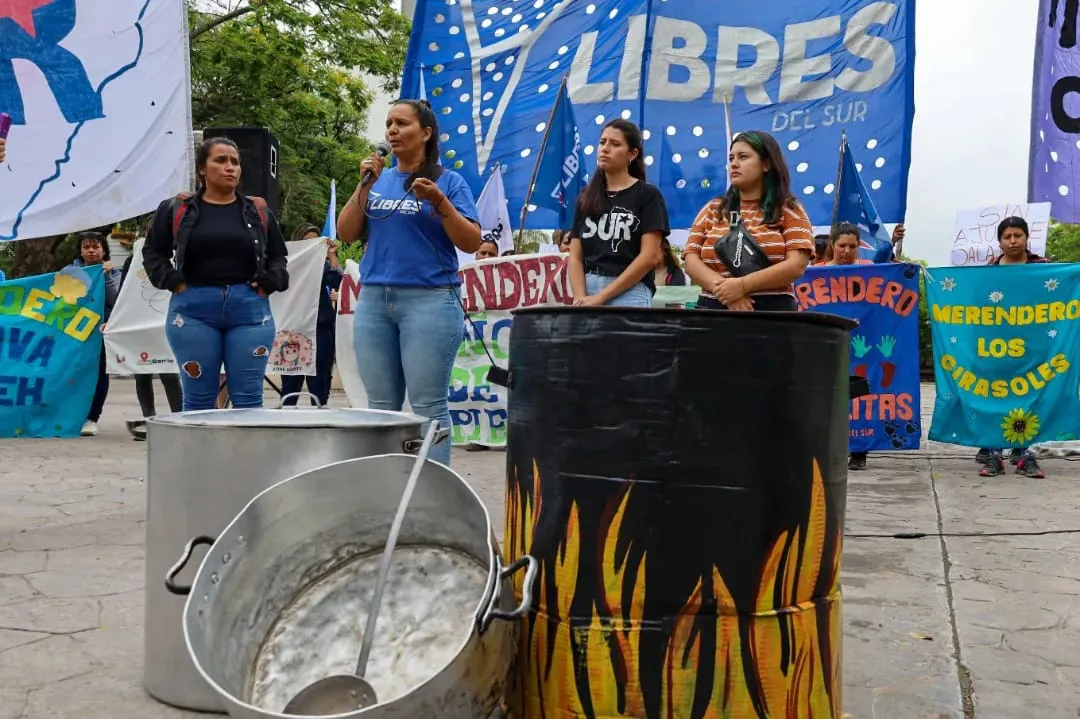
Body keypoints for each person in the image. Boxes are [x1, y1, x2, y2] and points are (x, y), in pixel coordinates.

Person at [336, 98, 481, 467]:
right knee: (381, 408)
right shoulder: (378, 180)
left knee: (428, 404)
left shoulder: (449, 181)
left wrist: (440, 202)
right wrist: (363, 184)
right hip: (374, 301)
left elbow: (471, 241)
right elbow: (345, 232)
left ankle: (432, 493)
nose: (392, 131)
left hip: (430, 301)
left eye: (402, 123)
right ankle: (389, 490)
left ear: (426, 133)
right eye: (389, 124)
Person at [143, 136, 289, 411]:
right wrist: (173, 282)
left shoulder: (257, 210)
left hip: (249, 311)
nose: (230, 167)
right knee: (198, 399)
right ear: (202, 169)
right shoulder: (177, 209)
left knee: (248, 399)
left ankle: (245, 456)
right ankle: (200, 456)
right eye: (220, 160)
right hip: (193, 310)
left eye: (235, 162)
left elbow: (278, 255)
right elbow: (153, 252)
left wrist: (271, 280)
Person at [683, 130, 814, 311]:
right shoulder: (713, 209)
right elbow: (690, 260)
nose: (734, 164)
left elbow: (797, 265)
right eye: (731, 159)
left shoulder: (789, 209)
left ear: (766, 164)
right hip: (713, 310)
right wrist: (725, 291)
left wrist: (743, 285)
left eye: (743, 157)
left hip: (772, 314)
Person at [568, 119, 668, 307]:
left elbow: (650, 256)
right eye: (602, 142)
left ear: (632, 154)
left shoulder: (648, 195)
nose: (605, 148)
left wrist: (601, 297)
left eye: (615, 144)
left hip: (630, 291)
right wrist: (580, 297)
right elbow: (575, 257)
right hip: (586, 288)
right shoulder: (585, 196)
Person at [978, 216, 1049, 479]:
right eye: (1007, 237)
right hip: (996, 348)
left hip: (1032, 349)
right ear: (999, 241)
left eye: (1017, 235)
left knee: (1030, 397)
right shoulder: (987, 273)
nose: (1012, 241)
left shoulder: (1044, 269)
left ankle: (1025, 455)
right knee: (996, 397)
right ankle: (994, 456)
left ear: (1027, 237)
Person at [120, 231, 182, 440]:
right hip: (139, 320)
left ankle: (180, 418)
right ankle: (148, 418)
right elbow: (125, 291)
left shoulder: (180, 253)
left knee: (169, 372)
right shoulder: (133, 258)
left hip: (167, 317)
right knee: (142, 371)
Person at [281, 223, 343, 407]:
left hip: (321, 328)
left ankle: (320, 417)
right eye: (306, 242)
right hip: (293, 330)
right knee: (291, 384)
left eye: (316, 242)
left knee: (320, 382)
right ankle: (287, 422)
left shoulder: (323, 266)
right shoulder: (287, 264)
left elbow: (338, 282)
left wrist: (332, 256)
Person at [72, 232, 122, 436]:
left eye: (96, 247)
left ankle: (92, 418)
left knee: (100, 374)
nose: (91, 251)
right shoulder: (70, 273)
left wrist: (107, 276)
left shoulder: (115, 273)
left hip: (102, 333)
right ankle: (72, 415)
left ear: (104, 250)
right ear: (80, 251)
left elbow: (115, 300)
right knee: (73, 372)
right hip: (75, 333)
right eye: (86, 247)